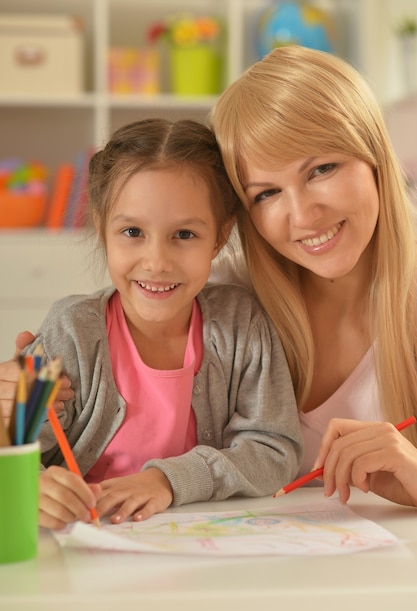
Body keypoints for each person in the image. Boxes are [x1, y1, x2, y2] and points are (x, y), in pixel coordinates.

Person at [1, 118, 301, 530]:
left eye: (184, 234)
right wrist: (31, 488)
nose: (157, 262)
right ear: (102, 228)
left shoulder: (240, 323)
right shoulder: (71, 331)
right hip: (85, 548)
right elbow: (13, 443)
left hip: (200, 549)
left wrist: (167, 480)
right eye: (132, 231)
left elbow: (274, 450)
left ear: (219, 235)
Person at [209, 45, 417, 508]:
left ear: (375, 155)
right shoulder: (220, 299)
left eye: (321, 169)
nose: (303, 215)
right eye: (266, 194)